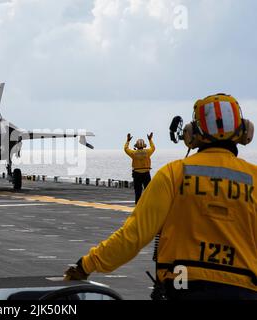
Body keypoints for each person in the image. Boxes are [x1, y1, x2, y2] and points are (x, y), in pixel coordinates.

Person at [64, 94, 256, 300]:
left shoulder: (173, 174)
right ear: (244, 130)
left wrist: (86, 264)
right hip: (245, 289)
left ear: (192, 134)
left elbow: (134, 235)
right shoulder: (253, 178)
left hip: (183, 287)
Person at [124, 132, 155, 203]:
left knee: (138, 191)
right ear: (144, 146)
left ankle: (137, 205)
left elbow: (126, 149)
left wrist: (128, 141)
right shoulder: (148, 152)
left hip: (137, 174)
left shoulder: (133, 153)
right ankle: (148, 204)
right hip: (146, 174)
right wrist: (150, 140)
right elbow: (153, 148)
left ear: (136, 146)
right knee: (148, 190)